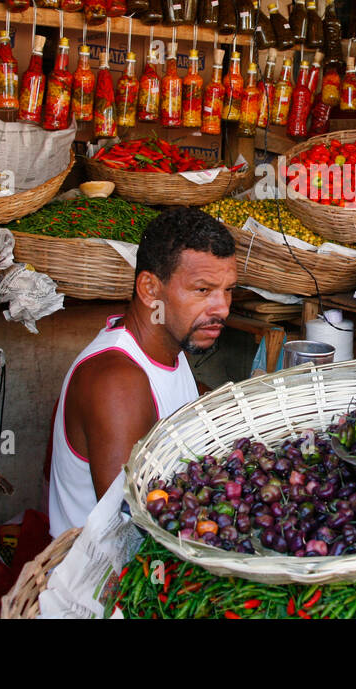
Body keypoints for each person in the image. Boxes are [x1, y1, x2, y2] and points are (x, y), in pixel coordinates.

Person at [48, 207, 237, 536]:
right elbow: (133, 526)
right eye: (203, 290)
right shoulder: (118, 382)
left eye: (228, 290)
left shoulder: (164, 344)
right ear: (150, 290)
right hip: (102, 579)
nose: (221, 308)